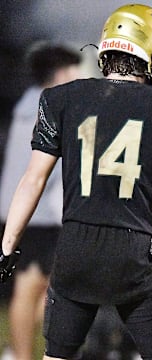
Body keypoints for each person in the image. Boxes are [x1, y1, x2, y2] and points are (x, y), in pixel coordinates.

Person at [0, 4, 152, 360]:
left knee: (54, 357)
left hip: (75, 249)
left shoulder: (62, 98)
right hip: (134, 255)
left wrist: (7, 246)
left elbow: (32, 180)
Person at [0, 41, 82, 360]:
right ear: (61, 72)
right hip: (36, 216)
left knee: (49, 289)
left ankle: (14, 350)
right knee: (30, 287)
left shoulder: (30, 103)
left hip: (33, 213)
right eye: (73, 70)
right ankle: (20, 355)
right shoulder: (46, 106)